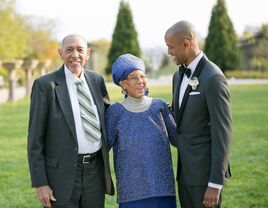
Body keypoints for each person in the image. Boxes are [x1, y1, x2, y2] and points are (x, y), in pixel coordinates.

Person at [27, 34, 114, 208]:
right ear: (60, 53)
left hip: (95, 172)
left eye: (80, 50)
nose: (75, 55)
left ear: (87, 53)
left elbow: (107, 119)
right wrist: (40, 183)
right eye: (69, 50)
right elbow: (35, 139)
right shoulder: (45, 85)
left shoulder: (97, 81)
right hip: (60, 175)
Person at [164, 20, 232, 208]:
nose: (168, 52)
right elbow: (183, 118)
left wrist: (215, 183)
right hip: (184, 172)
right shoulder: (178, 76)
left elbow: (222, 134)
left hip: (205, 176)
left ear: (186, 44)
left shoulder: (214, 78)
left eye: (170, 47)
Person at [105, 53, 177, 208]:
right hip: (131, 193)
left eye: (142, 76)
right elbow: (103, 148)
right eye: (133, 77)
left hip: (163, 190)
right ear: (123, 83)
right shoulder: (115, 112)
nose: (140, 82)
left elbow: (179, 139)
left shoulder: (160, 106)